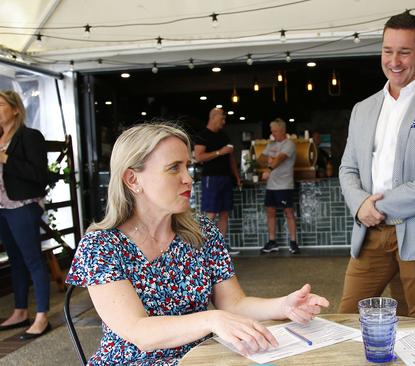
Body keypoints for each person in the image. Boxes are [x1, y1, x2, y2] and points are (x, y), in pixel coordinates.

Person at [65, 123, 329, 365]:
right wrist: (211, 319)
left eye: (188, 167)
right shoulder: (101, 246)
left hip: (201, 359)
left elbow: (233, 304)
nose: (189, 178)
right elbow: (138, 331)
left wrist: (284, 305)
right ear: (133, 179)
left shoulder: (201, 232)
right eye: (174, 168)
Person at [338, 11, 415, 321]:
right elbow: (348, 168)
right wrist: (360, 205)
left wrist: (379, 204)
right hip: (370, 230)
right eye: (387, 51)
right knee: (347, 318)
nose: (394, 61)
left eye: (404, 52)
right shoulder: (363, 109)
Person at [0, 90, 51, 340]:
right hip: (1, 208)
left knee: (32, 260)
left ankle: (42, 316)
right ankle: (20, 311)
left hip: (22, 205)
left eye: (0, 104)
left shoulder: (30, 136)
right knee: (15, 260)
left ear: (16, 109)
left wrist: (5, 158)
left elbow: (39, 174)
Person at [194, 107, 241, 255]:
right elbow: (199, 157)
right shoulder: (203, 136)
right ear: (214, 117)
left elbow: (230, 158)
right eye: (222, 118)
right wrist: (220, 152)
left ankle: (221, 247)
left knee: (225, 213)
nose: (224, 121)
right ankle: (205, 247)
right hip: (211, 178)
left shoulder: (224, 136)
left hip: (226, 178)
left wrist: (237, 177)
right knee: (211, 213)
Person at [259, 118, 300, 254]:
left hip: (284, 185)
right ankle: (272, 242)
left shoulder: (289, 144)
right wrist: (269, 159)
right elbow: (260, 158)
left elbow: (280, 158)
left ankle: (294, 242)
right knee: (270, 212)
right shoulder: (271, 144)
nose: (273, 134)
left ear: (283, 130)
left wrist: (270, 167)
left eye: (275, 131)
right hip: (271, 186)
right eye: (272, 131)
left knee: (288, 212)